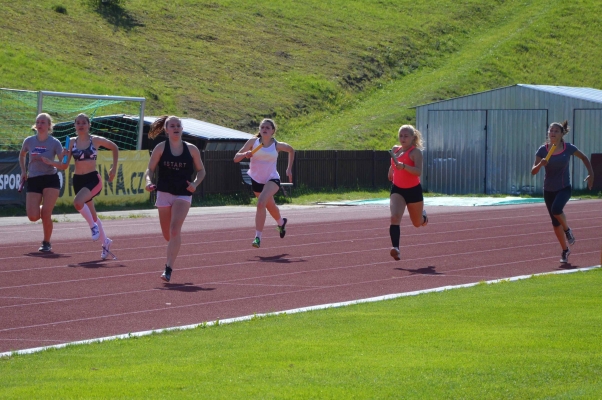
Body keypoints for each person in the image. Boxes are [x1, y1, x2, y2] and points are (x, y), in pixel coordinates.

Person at [43, 113, 119, 260]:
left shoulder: (95, 140)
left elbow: (114, 147)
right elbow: (64, 165)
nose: (81, 125)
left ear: (89, 125)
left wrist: (114, 169)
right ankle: (105, 242)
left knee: (78, 202)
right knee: (93, 215)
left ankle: (92, 227)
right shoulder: (70, 142)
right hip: (78, 180)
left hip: (93, 179)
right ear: (75, 126)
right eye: (78, 123)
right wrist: (51, 162)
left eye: (84, 122)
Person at [144, 116, 206, 282]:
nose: (176, 127)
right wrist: (148, 182)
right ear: (167, 130)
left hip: (183, 194)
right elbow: (150, 169)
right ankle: (174, 245)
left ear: (182, 128)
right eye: (172, 125)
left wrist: (195, 184)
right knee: (168, 235)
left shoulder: (191, 149)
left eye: (178, 125)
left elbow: (201, 171)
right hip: (164, 192)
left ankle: (168, 268)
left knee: (174, 230)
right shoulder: (160, 148)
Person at [531, 120, 594, 263]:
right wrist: (541, 164)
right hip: (548, 190)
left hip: (564, 187)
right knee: (554, 223)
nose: (552, 133)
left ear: (561, 134)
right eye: (551, 131)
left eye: (556, 131)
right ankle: (565, 250)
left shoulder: (568, 148)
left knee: (556, 209)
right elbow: (533, 172)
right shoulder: (542, 150)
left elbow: (584, 158)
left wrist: (591, 174)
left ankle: (567, 230)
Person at [233, 118, 294, 248]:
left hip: (272, 179)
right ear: (259, 130)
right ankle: (281, 222)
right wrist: (245, 154)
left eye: (267, 128)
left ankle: (257, 238)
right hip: (256, 180)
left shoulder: (276, 145)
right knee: (270, 206)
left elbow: (291, 150)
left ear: (273, 131)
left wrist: (288, 169)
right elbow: (236, 159)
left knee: (261, 203)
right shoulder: (253, 142)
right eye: (262, 127)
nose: (264, 129)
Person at [19, 113, 64, 252]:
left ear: (49, 125)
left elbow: (64, 164)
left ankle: (46, 242)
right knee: (33, 216)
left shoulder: (55, 142)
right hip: (33, 178)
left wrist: (52, 162)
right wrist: (23, 171)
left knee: (46, 214)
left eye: (43, 122)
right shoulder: (29, 141)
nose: (40, 124)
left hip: (50, 178)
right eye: (38, 122)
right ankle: (43, 209)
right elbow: (22, 155)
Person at [388, 124, 428, 261]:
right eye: (401, 135)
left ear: (412, 137)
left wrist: (404, 166)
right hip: (397, 189)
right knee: (394, 217)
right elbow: (393, 164)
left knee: (417, 223)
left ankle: (424, 217)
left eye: (406, 136)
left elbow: (418, 171)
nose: (403, 138)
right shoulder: (395, 150)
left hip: (413, 191)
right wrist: (391, 170)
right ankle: (396, 248)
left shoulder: (415, 152)